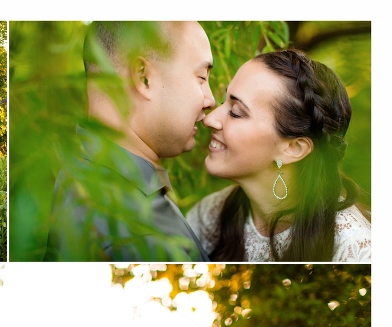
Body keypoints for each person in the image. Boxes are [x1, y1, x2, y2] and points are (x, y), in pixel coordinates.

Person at [45, 21, 214, 262]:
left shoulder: (114, 189)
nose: (211, 100)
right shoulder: (118, 213)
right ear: (144, 78)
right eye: (202, 78)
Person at [187, 49, 370, 262]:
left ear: (293, 148)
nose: (210, 119)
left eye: (236, 112)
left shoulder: (352, 249)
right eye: (223, 101)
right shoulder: (210, 216)